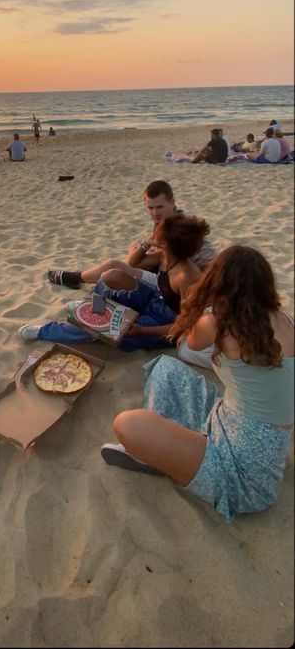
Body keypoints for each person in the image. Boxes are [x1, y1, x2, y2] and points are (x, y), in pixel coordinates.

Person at [100, 246, 294, 523]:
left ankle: (156, 454)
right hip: (237, 428)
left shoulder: (217, 323)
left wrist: (201, 300)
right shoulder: (287, 321)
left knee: (126, 423)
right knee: (166, 367)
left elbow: (188, 342)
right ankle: (165, 448)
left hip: (243, 477)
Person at [20, 213, 210, 352]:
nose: (155, 235)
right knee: (112, 275)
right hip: (153, 299)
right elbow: (134, 262)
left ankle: (46, 331)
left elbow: (185, 325)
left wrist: (143, 330)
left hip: (163, 322)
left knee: (105, 330)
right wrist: (146, 243)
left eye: (158, 235)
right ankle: (92, 309)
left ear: (167, 243)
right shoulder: (165, 256)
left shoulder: (188, 277)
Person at [47, 179, 216, 289]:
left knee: (116, 265)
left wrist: (142, 250)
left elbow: (138, 261)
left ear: (172, 202)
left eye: (159, 207)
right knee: (129, 256)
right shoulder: (169, 219)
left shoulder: (177, 227)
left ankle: (77, 278)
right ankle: (78, 277)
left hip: (187, 284)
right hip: (173, 274)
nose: (155, 213)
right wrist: (145, 247)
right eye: (150, 208)